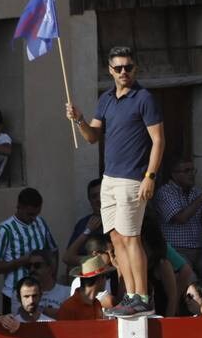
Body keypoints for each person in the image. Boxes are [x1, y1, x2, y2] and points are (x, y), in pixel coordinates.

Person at [68, 46, 166, 318]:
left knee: (132, 238)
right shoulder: (106, 99)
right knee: (115, 238)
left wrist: (150, 176)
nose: (124, 72)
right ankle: (131, 295)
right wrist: (79, 120)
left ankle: (142, 296)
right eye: (119, 68)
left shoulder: (144, 98)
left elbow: (158, 140)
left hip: (133, 178)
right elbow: (92, 136)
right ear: (110, 70)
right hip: (109, 179)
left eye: (129, 67)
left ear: (136, 68)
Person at [0, 187, 58, 312]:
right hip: (14, 293)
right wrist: (21, 261)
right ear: (19, 207)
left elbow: (53, 251)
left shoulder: (40, 222)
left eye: (36, 214)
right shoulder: (5, 229)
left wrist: (52, 276)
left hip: (40, 292)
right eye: (30, 214)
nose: (33, 218)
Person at [155, 157, 202, 273]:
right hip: (177, 251)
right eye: (186, 171)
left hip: (200, 251)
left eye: (193, 170)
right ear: (174, 175)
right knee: (192, 282)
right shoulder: (165, 193)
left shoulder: (197, 191)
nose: (191, 174)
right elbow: (181, 218)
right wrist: (201, 198)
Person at [64, 179, 106, 270]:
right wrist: (87, 231)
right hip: (89, 276)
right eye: (94, 196)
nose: (98, 199)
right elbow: (67, 258)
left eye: (101, 194)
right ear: (89, 200)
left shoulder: (118, 221)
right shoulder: (83, 224)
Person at [57, 255, 113, 321]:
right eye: (105, 276)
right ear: (99, 279)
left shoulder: (97, 304)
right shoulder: (68, 308)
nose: (106, 280)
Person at [25, 249, 72, 317]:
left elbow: (72, 317)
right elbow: (20, 319)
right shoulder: (21, 294)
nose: (32, 269)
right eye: (29, 266)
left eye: (37, 265)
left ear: (50, 268)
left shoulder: (68, 292)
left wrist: (39, 310)